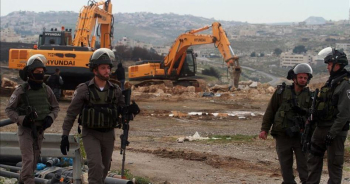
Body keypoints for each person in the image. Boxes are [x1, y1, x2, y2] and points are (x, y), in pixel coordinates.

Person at [59, 48, 139, 184]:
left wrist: (130, 112)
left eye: (108, 68)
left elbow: (122, 111)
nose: (107, 71)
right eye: (103, 68)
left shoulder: (116, 90)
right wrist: (65, 135)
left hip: (108, 134)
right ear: (95, 70)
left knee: (105, 168)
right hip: (91, 133)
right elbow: (71, 113)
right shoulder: (84, 89)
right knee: (95, 165)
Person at [5, 54, 59, 184]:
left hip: (40, 130)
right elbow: (9, 110)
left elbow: (56, 107)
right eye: (37, 72)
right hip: (26, 130)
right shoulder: (21, 90)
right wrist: (22, 119)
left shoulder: (46, 90)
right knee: (28, 160)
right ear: (30, 73)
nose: (40, 74)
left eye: (42, 72)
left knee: (34, 161)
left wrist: (50, 118)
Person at [259, 63, 314, 184]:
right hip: (282, 135)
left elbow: (313, 117)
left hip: (301, 137)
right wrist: (264, 129)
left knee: (304, 166)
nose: (303, 80)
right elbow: (271, 110)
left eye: (305, 78)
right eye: (300, 77)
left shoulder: (310, 97)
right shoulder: (281, 92)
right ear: (294, 78)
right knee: (285, 166)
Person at [306, 47, 350, 184]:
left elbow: (344, 114)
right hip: (321, 127)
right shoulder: (331, 82)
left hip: (335, 131)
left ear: (338, 65)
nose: (327, 67)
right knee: (313, 159)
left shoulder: (345, 85)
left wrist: (333, 133)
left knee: (334, 165)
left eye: (330, 64)